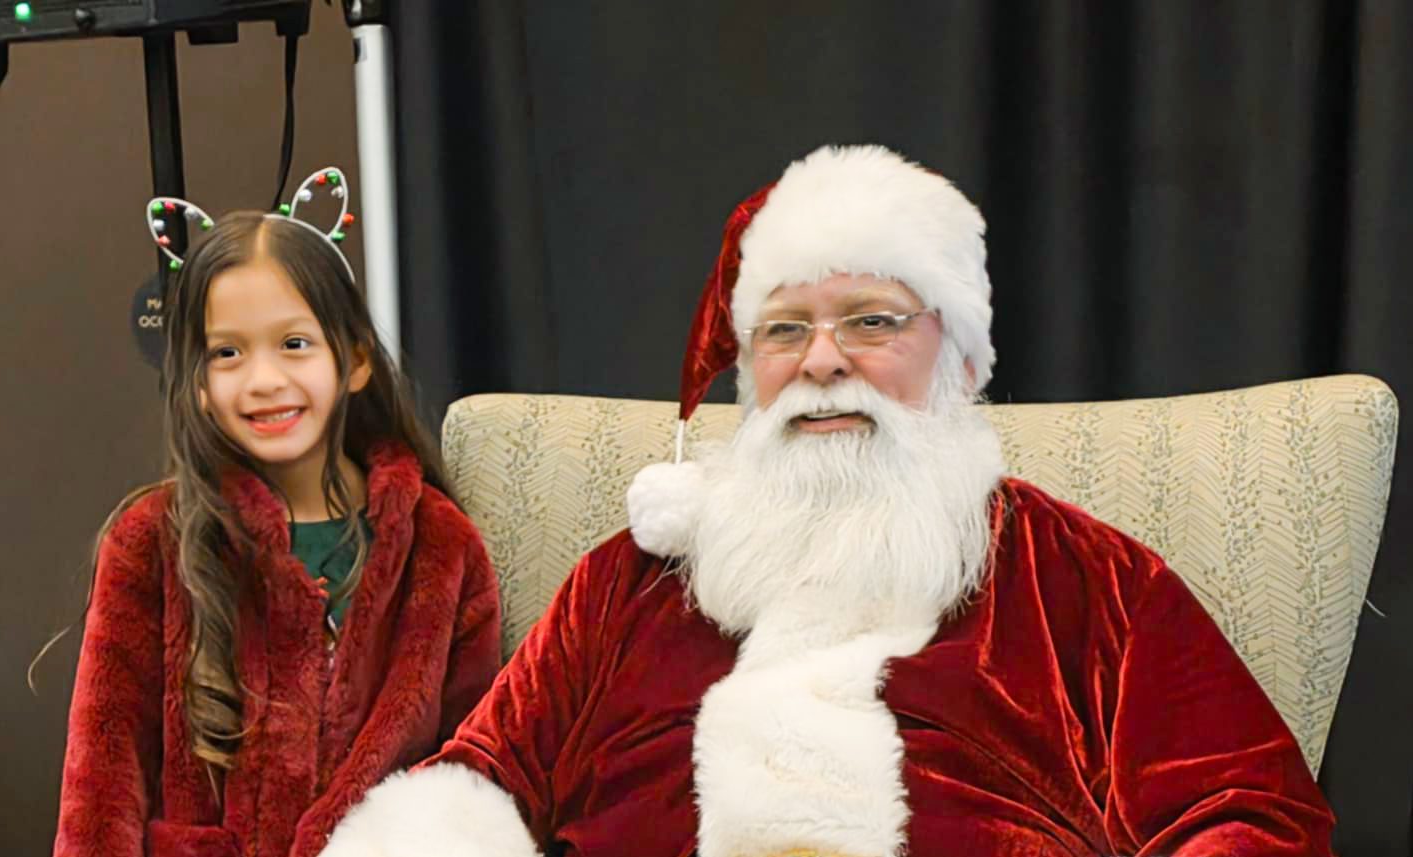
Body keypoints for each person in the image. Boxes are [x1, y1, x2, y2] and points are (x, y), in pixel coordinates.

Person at [319, 146, 1336, 857]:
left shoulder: (1082, 581)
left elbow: (1249, 810)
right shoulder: (627, 585)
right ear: (745, 370)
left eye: (868, 320)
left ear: (957, 355)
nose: (819, 362)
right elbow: (475, 788)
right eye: (782, 329)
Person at [51, 175, 502, 857]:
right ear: (197, 383)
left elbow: (473, 773)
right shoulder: (150, 542)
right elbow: (101, 786)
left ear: (352, 360)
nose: (262, 379)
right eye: (227, 352)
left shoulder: (442, 547)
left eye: (293, 343)